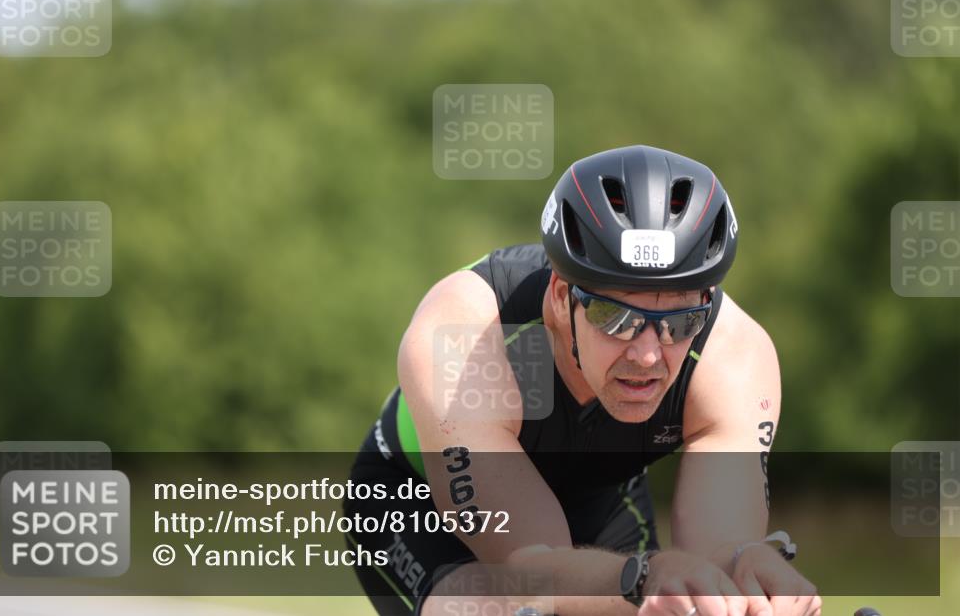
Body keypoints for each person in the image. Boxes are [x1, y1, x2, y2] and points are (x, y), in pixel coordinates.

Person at [344, 145, 822, 616]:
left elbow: (718, 550)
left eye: (680, 321)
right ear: (558, 297)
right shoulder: (471, 333)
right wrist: (648, 577)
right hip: (417, 501)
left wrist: (746, 571)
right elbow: (529, 570)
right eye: (615, 316)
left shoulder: (730, 354)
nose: (648, 353)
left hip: (599, 499)